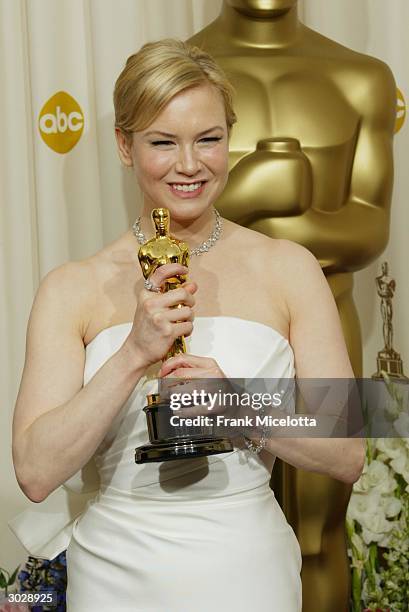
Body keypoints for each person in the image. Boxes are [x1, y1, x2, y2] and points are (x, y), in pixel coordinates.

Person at [11, 39, 364, 612]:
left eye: (208, 139)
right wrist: (132, 354)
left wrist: (237, 408)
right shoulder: (70, 288)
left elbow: (347, 451)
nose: (189, 164)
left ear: (229, 138)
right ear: (125, 146)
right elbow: (34, 471)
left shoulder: (288, 268)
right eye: (162, 142)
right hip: (116, 575)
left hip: (249, 570)